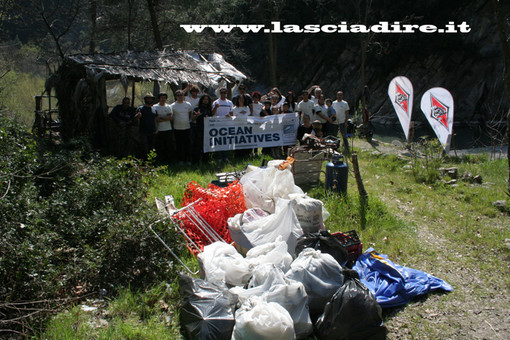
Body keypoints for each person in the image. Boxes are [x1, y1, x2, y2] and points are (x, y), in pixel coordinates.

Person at [171, 89, 193, 165]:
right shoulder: (173, 106)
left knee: (188, 145)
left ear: (184, 96)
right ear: (176, 97)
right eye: (178, 95)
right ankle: (180, 160)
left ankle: (188, 160)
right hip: (177, 128)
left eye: (181, 95)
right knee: (179, 145)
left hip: (187, 127)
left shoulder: (188, 104)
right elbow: (172, 117)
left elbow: (190, 114)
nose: (180, 97)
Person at [134, 92, 157, 160]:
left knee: (151, 148)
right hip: (143, 131)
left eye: (151, 99)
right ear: (145, 99)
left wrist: (156, 129)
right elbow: (135, 118)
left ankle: (150, 163)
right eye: (148, 98)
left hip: (152, 131)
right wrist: (138, 116)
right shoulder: (140, 108)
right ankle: (143, 162)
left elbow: (155, 119)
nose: (149, 100)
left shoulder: (154, 109)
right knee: (144, 148)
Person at [191, 94, 213, 163]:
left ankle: (206, 160)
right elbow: (192, 119)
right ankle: (196, 161)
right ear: (202, 100)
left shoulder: (209, 109)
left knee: (206, 145)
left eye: (207, 99)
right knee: (198, 145)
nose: (205, 101)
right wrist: (197, 115)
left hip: (207, 130)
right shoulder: (197, 108)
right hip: (199, 129)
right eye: (204, 99)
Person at [153, 92, 174, 164]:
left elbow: (170, 118)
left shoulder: (168, 107)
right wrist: (165, 117)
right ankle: (160, 161)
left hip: (168, 129)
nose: (163, 99)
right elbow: (155, 119)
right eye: (161, 98)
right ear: (159, 98)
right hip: (159, 130)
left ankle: (168, 161)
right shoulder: (155, 107)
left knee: (168, 146)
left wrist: (160, 117)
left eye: (164, 98)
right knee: (159, 147)